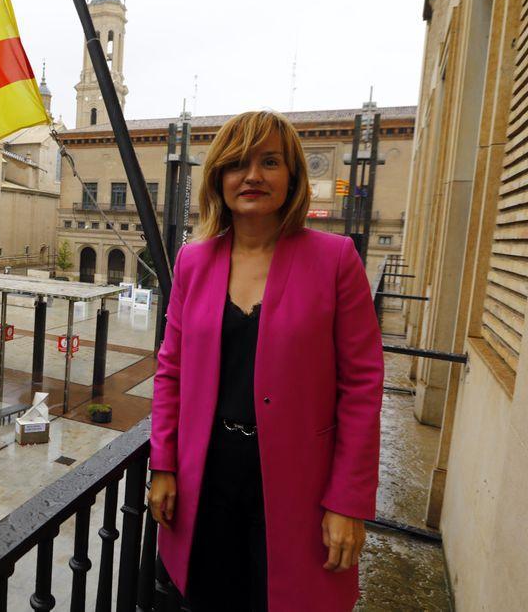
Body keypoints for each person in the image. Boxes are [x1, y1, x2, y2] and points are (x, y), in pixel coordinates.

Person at [147, 111, 383, 611]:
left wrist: (348, 501)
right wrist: (164, 465)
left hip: (300, 483)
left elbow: (362, 387)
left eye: (269, 162)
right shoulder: (194, 260)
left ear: (292, 177)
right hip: (206, 479)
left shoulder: (336, 261)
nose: (252, 175)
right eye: (237, 164)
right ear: (218, 179)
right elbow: (171, 370)